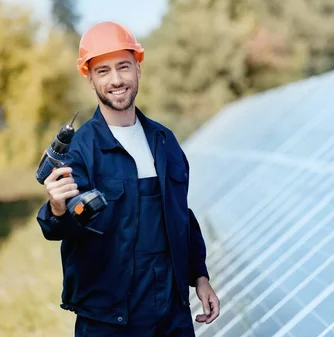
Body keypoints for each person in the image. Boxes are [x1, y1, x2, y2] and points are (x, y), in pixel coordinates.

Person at [36, 21, 220, 337]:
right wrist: (56, 207)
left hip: (171, 313)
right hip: (109, 319)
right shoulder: (80, 150)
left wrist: (199, 277)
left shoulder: (165, 141)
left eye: (124, 66)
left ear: (138, 69)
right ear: (90, 79)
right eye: (103, 71)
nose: (117, 79)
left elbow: (181, 217)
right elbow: (60, 229)